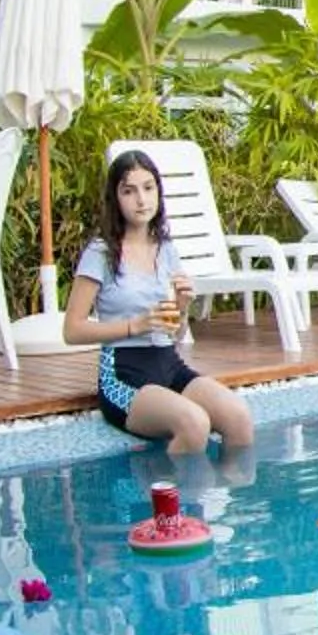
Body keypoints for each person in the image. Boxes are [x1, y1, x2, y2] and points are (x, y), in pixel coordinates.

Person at [63, 151, 255, 453]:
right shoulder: (100, 253)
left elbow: (175, 334)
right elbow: (72, 330)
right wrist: (134, 326)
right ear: (116, 198)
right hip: (123, 373)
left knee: (238, 418)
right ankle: (168, 498)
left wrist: (182, 307)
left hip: (168, 363)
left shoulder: (166, 249)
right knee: (194, 423)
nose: (141, 199)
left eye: (148, 188)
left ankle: (228, 496)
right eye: (129, 190)